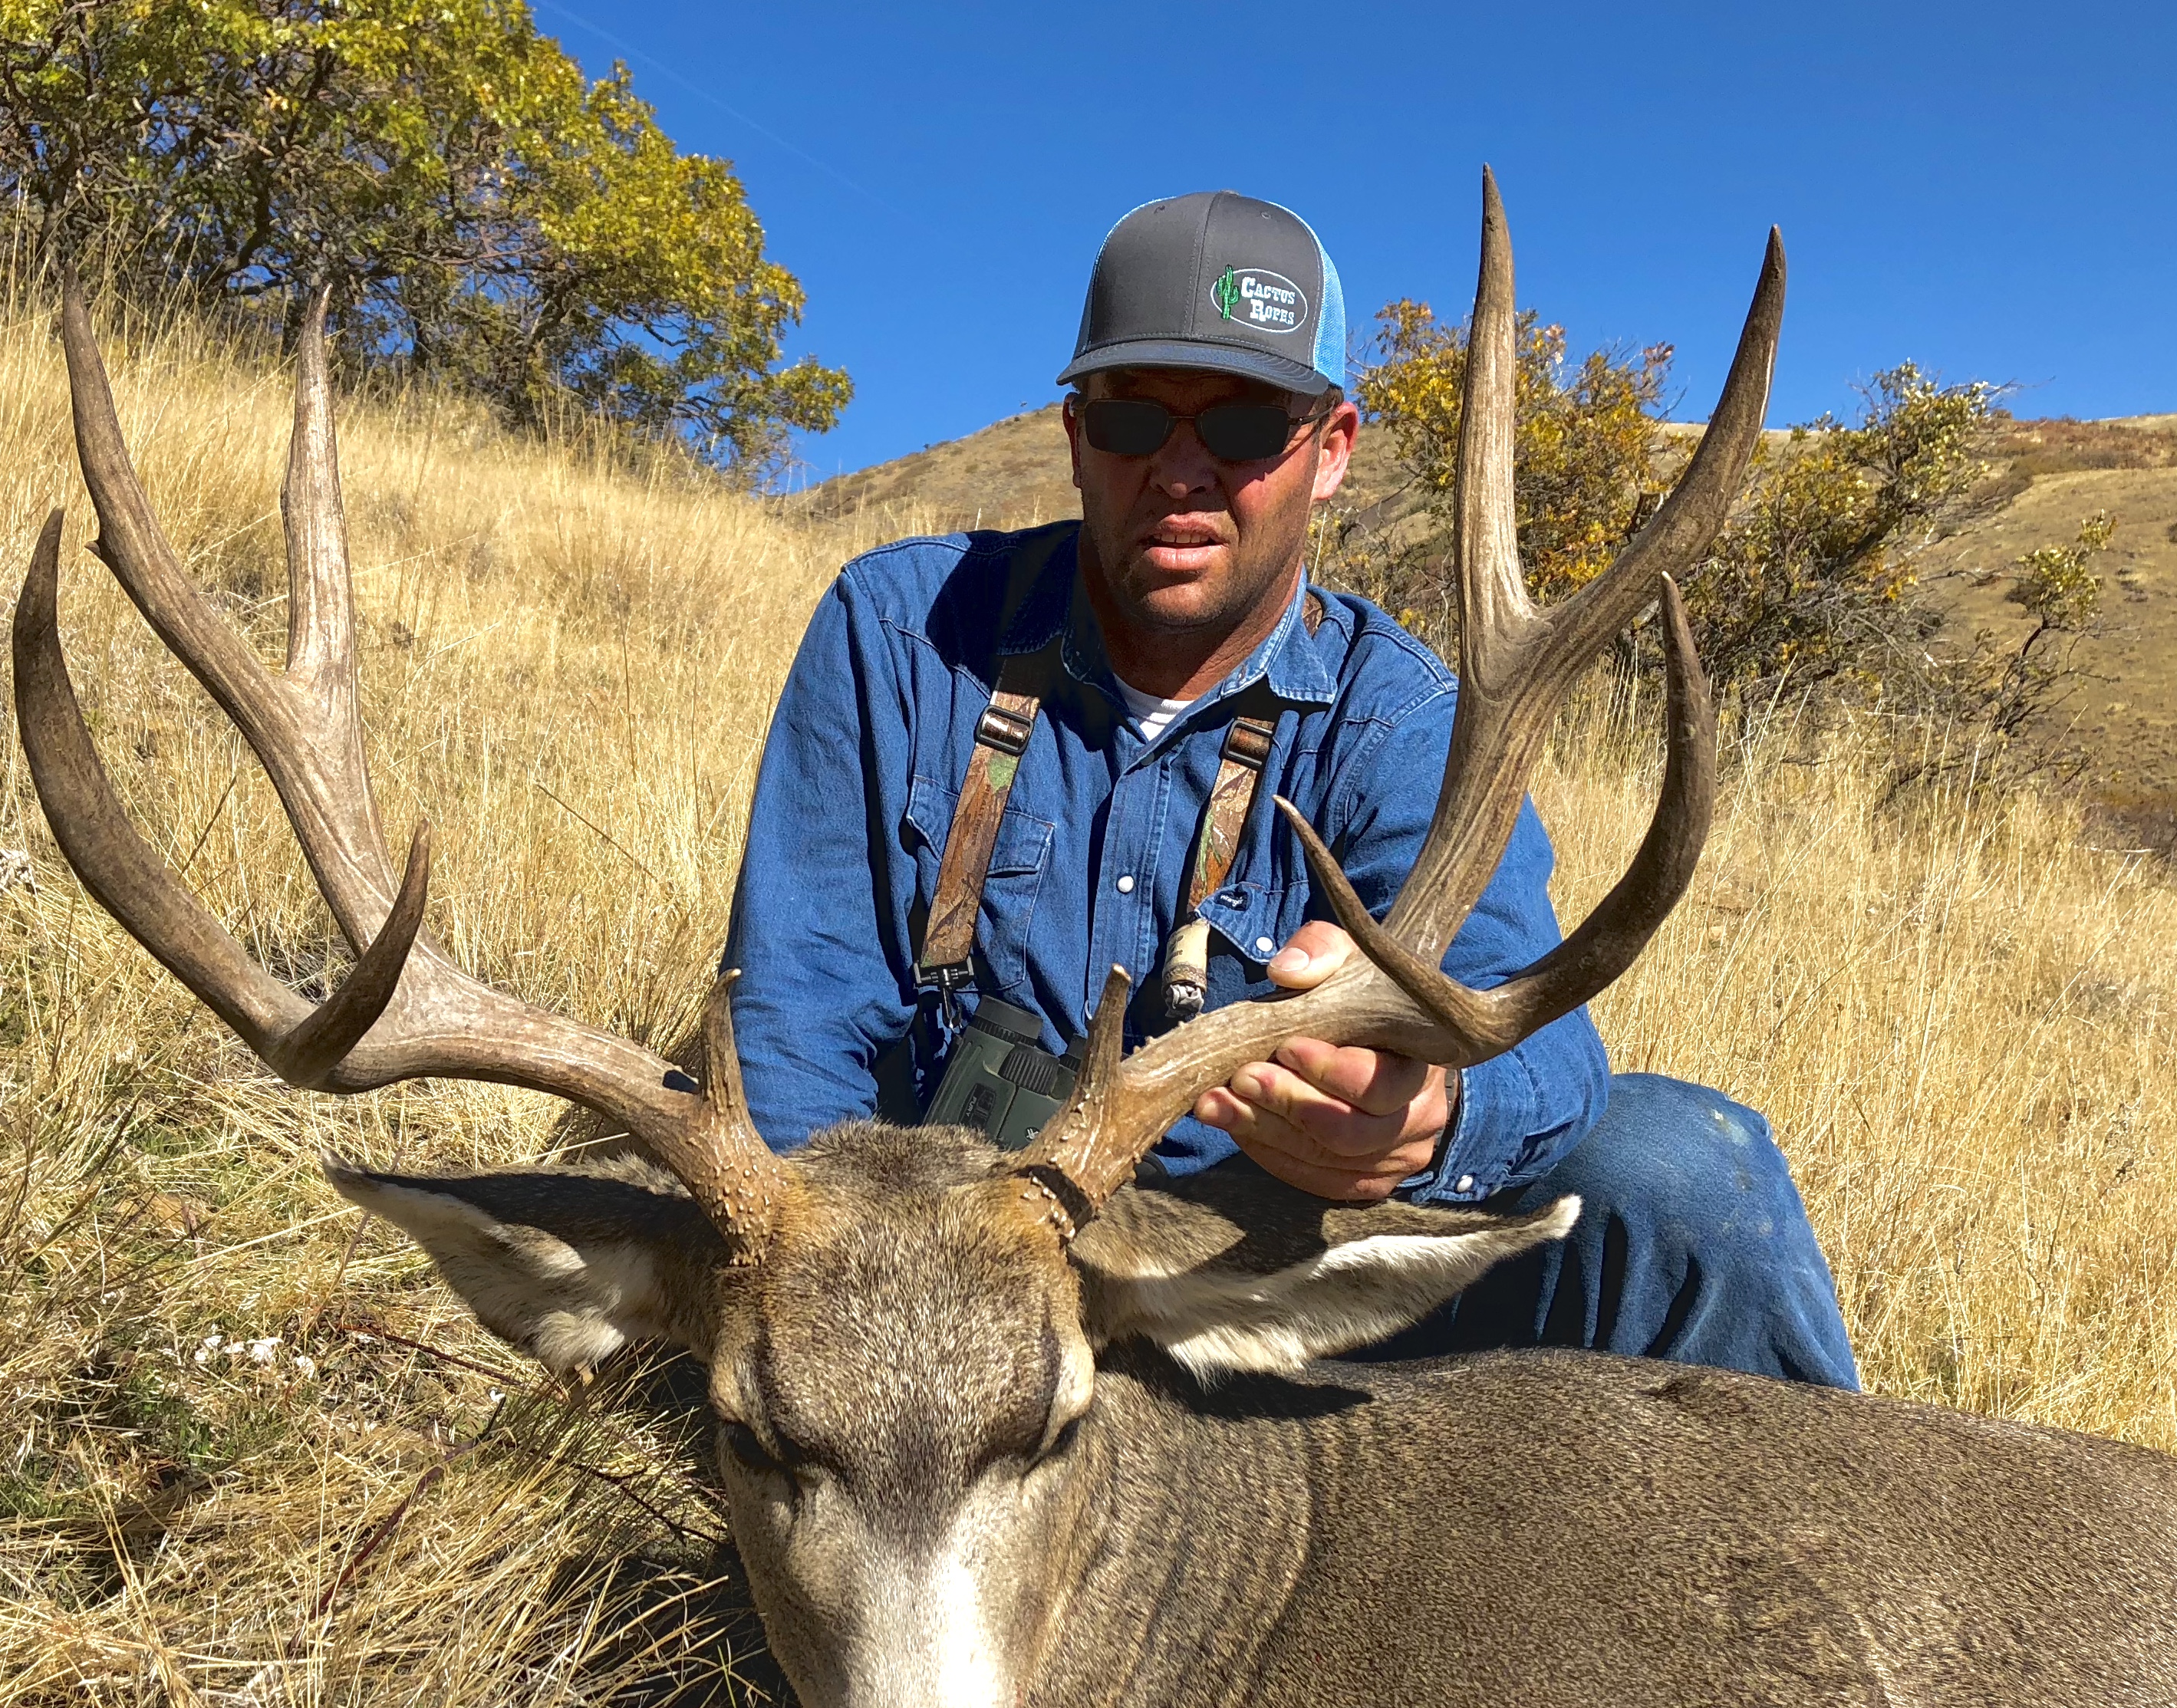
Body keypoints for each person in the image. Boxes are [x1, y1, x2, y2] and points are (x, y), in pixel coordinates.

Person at [724, 190, 1856, 1387]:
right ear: (1072, 435)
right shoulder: (903, 634)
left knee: (1682, 1172)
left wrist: (1425, 1118)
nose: (1181, 471)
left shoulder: (1402, 721)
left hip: (1254, 1290)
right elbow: (793, 1034)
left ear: (1332, 453)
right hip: (945, 1300)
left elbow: (1542, 1042)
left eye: (1248, 424)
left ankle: (1841, 1535)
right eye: (1132, 417)